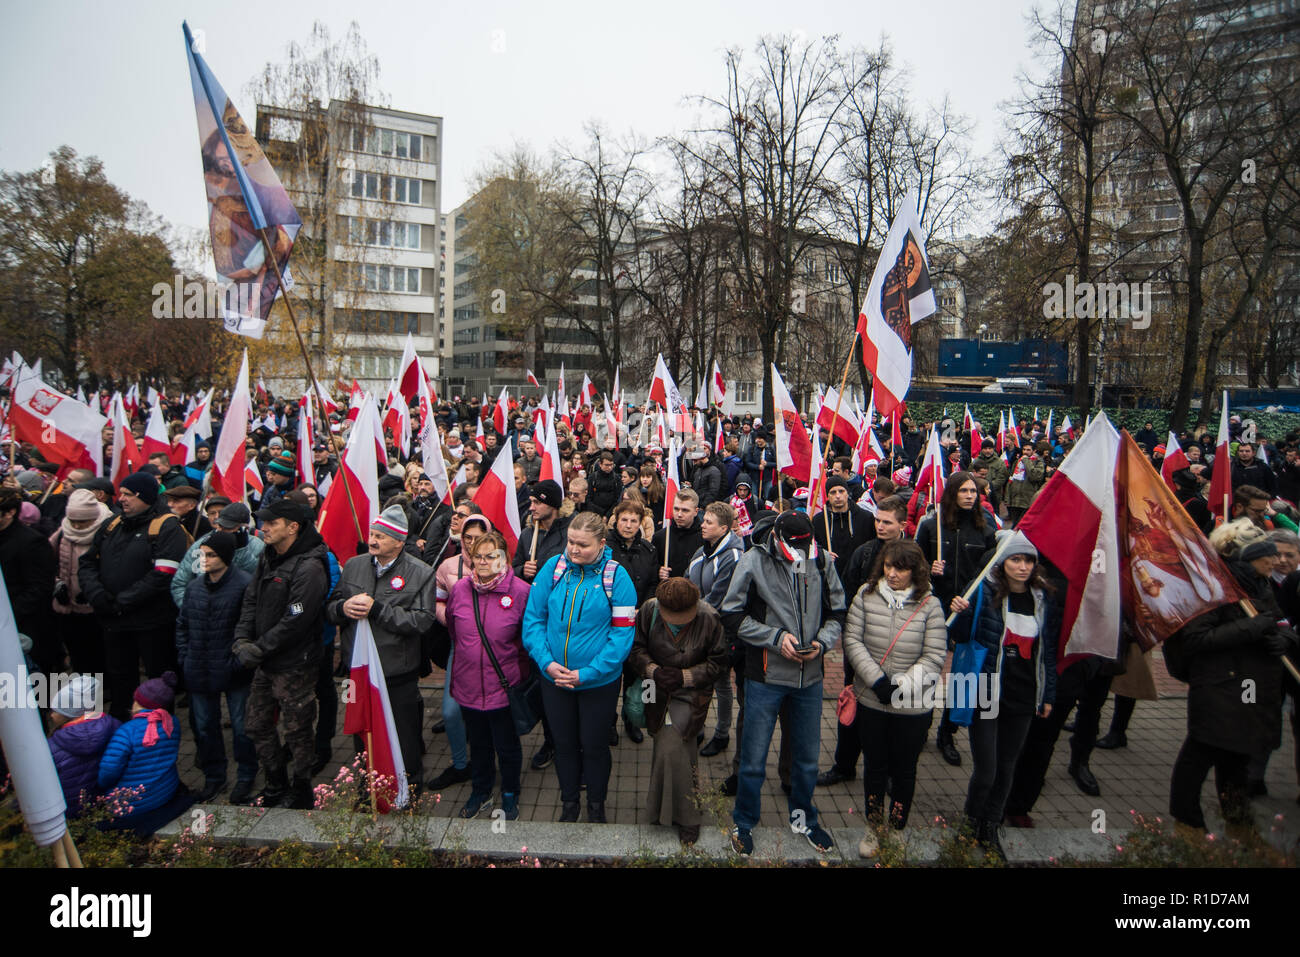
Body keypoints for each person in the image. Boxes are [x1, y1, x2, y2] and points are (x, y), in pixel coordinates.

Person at [719, 511, 846, 857]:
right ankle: (744, 821)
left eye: (806, 545)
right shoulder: (753, 561)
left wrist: (822, 643)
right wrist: (775, 638)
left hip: (811, 678)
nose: (801, 552)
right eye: (794, 546)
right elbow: (731, 614)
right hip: (765, 677)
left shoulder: (821, 561)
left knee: (806, 759)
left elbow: (838, 612)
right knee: (753, 759)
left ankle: (804, 817)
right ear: (778, 538)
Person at [1163, 519, 1296, 835]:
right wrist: (1255, 626)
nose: (1276, 561)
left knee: (1237, 759)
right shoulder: (1216, 589)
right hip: (1220, 688)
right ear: (1248, 558)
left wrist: (1286, 640)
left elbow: (1277, 624)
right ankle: (1188, 825)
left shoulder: (1260, 585)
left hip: (1253, 689)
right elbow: (1196, 639)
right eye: (1269, 555)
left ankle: (1239, 826)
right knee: (1199, 755)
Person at [521, 511, 638, 823]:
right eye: (570, 542)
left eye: (582, 545)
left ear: (601, 543)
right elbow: (533, 620)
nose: (573, 550)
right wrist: (546, 662)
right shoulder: (553, 568)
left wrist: (589, 672)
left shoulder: (617, 577)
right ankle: (569, 802)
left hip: (598, 684)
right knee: (564, 745)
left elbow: (622, 635)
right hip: (554, 680)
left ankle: (596, 805)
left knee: (595, 746)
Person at [949, 531, 1059, 860]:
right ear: (1002, 561)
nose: (1022, 566)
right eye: (1016, 559)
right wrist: (962, 611)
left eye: (1028, 560)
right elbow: (958, 635)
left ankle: (990, 825)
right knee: (986, 770)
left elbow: (1047, 651)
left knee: (1007, 768)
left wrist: (1047, 692)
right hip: (986, 689)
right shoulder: (985, 590)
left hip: (1023, 695)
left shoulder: (1042, 598)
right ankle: (970, 825)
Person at [842, 539, 947, 857]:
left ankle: (898, 827)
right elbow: (852, 639)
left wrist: (900, 685)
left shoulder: (930, 605)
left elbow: (934, 655)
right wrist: (876, 682)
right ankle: (873, 827)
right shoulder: (865, 594)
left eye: (900, 568)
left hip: (912, 705)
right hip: (873, 700)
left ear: (916, 571)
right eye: (888, 566)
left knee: (904, 771)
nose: (893, 574)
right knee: (874, 767)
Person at [327, 505, 436, 801]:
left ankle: (408, 792)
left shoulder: (421, 572)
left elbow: (422, 620)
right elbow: (332, 605)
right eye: (372, 534)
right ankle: (369, 791)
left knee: (404, 736)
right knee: (363, 734)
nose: (373, 541)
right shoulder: (354, 565)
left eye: (381, 537)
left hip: (396, 672)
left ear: (399, 542)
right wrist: (342, 608)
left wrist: (378, 610)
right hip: (359, 672)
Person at [233, 497, 331, 810]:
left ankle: (301, 789)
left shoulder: (310, 566)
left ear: (293, 527)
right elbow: (251, 598)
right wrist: (242, 638)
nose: (263, 529)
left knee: (298, 730)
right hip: (264, 660)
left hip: (294, 664)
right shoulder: (269, 555)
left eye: (271, 523)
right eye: (262, 522)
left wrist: (258, 649)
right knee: (257, 724)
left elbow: (296, 620)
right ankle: (275, 782)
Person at [78, 473, 189, 721]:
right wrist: (97, 595)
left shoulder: (167, 527)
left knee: (157, 678)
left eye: (129, 494)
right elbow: (87, 563)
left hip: (152, 622)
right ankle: (120, 725)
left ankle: (158, 728)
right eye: (122, 493)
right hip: (114, 621)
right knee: (119, 677)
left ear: (146, 497)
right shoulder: (113, 524)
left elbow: (163, 573)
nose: (122, 499)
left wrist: (121, 602)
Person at [628, 577, 728, 845]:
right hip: (654, 688)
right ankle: (676, 810)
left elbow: (719, 663)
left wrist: (685, 676)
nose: (680, 621)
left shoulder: (709, 618)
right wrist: (654, 671)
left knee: (673, 745)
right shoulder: (648, 610)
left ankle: (686, 817)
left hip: (691, 692)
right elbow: (635, 649)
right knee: (668, 745)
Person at [818, 495, 909, 789]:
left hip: (900, 648)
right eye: (877, 521)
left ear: (902, 525)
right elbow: (845, 594)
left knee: (895, 708)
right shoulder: (865, 552)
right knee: (852, 704)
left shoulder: (914, 556)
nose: (880, 526)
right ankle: (844, 765)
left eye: (887, 522)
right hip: (861, 646)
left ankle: (893, 768)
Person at [445, 530, 532, 820]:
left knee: (507, 746)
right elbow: (454, 633)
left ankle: (510, 793)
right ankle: (480, 791)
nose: (483, 562)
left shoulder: (520, 591)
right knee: (479, 745)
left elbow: (526, 641)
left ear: (504, 558)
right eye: (477, 556)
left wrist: (516, 674)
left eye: (490, 556)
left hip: (504, 687)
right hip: (469, 686)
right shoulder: (459, 590)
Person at [915, 471, 998, 768]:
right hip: (935, 608)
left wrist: (969, 596)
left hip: (969, 610)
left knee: (963, 673)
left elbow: (991, 570)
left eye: (973, 491)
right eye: (963, 491)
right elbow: (912, 566)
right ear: (952, 493)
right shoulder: (931, 525)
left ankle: (947, 732)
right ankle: (919, 724)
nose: (969, 496)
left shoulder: (986, 527)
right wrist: (928, 567)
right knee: (927, 667)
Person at [175, 532, 257, 804]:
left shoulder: (244, 585)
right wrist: (185, 657)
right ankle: (214, 776)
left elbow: (251, 628)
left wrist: (240, 661)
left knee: (241, 726)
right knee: (205, 726)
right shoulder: (194, 587)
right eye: (202, 555)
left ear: (225, 556)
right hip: (198, 667)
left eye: (210, 555)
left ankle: (246, 775)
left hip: (233, 670)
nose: (204, 560)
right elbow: (183, 625)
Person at [427, 514, 493, 791]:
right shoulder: (448, 566)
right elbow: (437, 601)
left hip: (493, 650)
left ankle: (489, 764)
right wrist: (451, 618)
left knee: (491, 712)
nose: (473, 543)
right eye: (468, 538)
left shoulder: (498, 563)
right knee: (452, 712)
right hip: (461, 646)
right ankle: (460, 764)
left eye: (479, 537)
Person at [97, 672, 194, 834]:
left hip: (132, 806)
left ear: (138, 702)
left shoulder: (126, 732)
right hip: (164, 793)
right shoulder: (171, 723)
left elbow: (107, 774)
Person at [688, 502, 745, 758]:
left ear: (724, 528)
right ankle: (697, 725)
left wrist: (689, 614)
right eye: (704, 520)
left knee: (721, 683)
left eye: (708, 522)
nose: (702, 524)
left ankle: (722, 733)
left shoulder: (733, 556)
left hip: (721, 631)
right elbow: (689, 580)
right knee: (699, 681)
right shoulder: (701, 551)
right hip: (698, 627)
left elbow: (719, 598)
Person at [49, 489, 112, 678]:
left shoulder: (108, 531)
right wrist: (57, 584)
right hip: (68, 606)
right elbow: (46, 562)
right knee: (77, 650)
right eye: (73, 520)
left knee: (100, 650)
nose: (76, 525)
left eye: (82, 521)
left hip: (97, 607)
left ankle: (104, 686)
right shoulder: (62, 534)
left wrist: (95, 590)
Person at [48, 675, 120, 818]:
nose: (51, 715)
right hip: (112, 803)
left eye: (56, 710)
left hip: (71, 814)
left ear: (68, 713)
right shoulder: (114, 726)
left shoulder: (52, 747)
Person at [170, 502, 265, 609]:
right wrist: (191, 609)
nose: (221, 530)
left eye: (228, 528)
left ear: (244, 528)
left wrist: (240, 550)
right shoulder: (201, 545)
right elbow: (179, 584)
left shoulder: (257, 546)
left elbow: (256, 582)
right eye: (220, 526)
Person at [513, 480, 570, 590]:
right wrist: (523, 570)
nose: (531, 508)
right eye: (531, 502)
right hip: (532, 597)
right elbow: (514, 568)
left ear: (552, 505)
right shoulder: (527, 534)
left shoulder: (571, 533)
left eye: (537, 503)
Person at [652, 487, 704, 580]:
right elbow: (651, 566)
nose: (679, 514)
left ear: (696, 511)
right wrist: (658, 571)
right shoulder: (660, 537)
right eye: (676, 509)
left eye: (685, 510)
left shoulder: (704, 537)